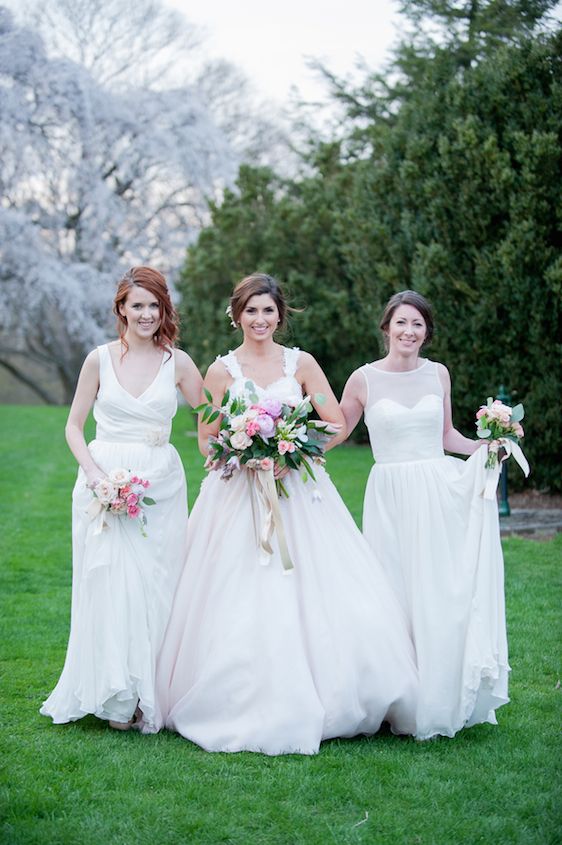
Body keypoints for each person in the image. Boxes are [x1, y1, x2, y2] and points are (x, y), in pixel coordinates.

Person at [153, 273, 418, 755]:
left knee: (319, 586)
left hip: (299, 492)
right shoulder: (221, 371)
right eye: (251, 311)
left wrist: (293, 449)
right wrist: (243, 454)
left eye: (268, 311)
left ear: (281, 315)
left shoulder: (302, 365)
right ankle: (234, 693)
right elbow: (208, 441)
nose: (260, 319)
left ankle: (336, 688)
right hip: (236, 495)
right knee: (233, 592)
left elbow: (334, 422)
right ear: (237, 315)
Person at [340, 290, 509, 740]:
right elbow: (336, 431)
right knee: (392, 588)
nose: (409, 332)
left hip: (438, 491)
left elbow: (448, 434)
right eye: (401, 323)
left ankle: (438, 692)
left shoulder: (438, 374)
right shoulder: (363, 380)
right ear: (386, 328)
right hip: (390, 494)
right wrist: (287, 447)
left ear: (426, 332)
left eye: (417, 324)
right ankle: (397, 694)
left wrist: (486, 446)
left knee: (437, 590)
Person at [40, 266, 202, 731]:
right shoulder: (99, 359)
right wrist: (94, 475)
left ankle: (148, 691)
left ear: (163, 309)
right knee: (110, 584)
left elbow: (211, 414)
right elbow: (73, 426)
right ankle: (115, 695)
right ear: (121, 309)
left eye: (154, 305)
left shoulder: (180, 363)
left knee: (157, 582)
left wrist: (248, 437)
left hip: (160, 484)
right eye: (138, 305)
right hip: (102, 481)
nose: (147, 314)